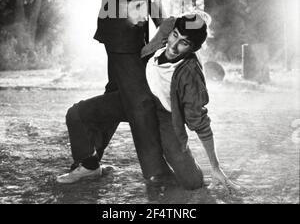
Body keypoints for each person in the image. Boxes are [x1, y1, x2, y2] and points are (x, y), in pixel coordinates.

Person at [59, 0, 190, 183]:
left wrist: (167, 30)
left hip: (137, 40)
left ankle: (87, 160)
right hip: (120, 37)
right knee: (141, 101)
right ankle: (156, 173)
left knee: (117, 99)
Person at [57, 14, 238, 193]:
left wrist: (215, 166)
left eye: (184, 43)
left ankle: (193, 179)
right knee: (76, 114)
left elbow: (200, 122)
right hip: (137, 98)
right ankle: (89, 166)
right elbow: (162, 16)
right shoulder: (165, 33)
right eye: (175, 35)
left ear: (193, 48)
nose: (173, 47)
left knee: (191, 182)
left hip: (165, 116)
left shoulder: (190, 74)